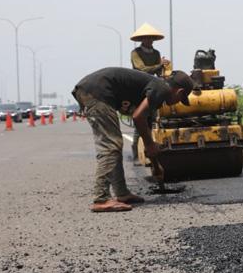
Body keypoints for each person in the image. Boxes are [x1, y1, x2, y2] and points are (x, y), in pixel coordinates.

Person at [72, 68, 194, 212]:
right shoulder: (162, 89)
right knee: (111, 145)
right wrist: (150, 144)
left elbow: (146, 131)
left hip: (91, 89)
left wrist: (156, 165)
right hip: (96, 91)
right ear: (179, 92)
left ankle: (122, 193)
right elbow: (138, 117)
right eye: (181, 99)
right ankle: (101, 198)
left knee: (114, 144)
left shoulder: (154, 92)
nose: (177, 103)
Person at [129, 23, 172, 160]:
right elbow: (141, 69)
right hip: (138, 87)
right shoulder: (135, 53)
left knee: (153, 120)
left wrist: (164, 67)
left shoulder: (156, 53)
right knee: (140, 119)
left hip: (152, 87)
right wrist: (159, 65)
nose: (149, 40)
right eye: (146, 38)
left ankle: (153, 148)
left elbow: (158, 72)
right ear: (142, 39)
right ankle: (136, 151)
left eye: (151, 38)